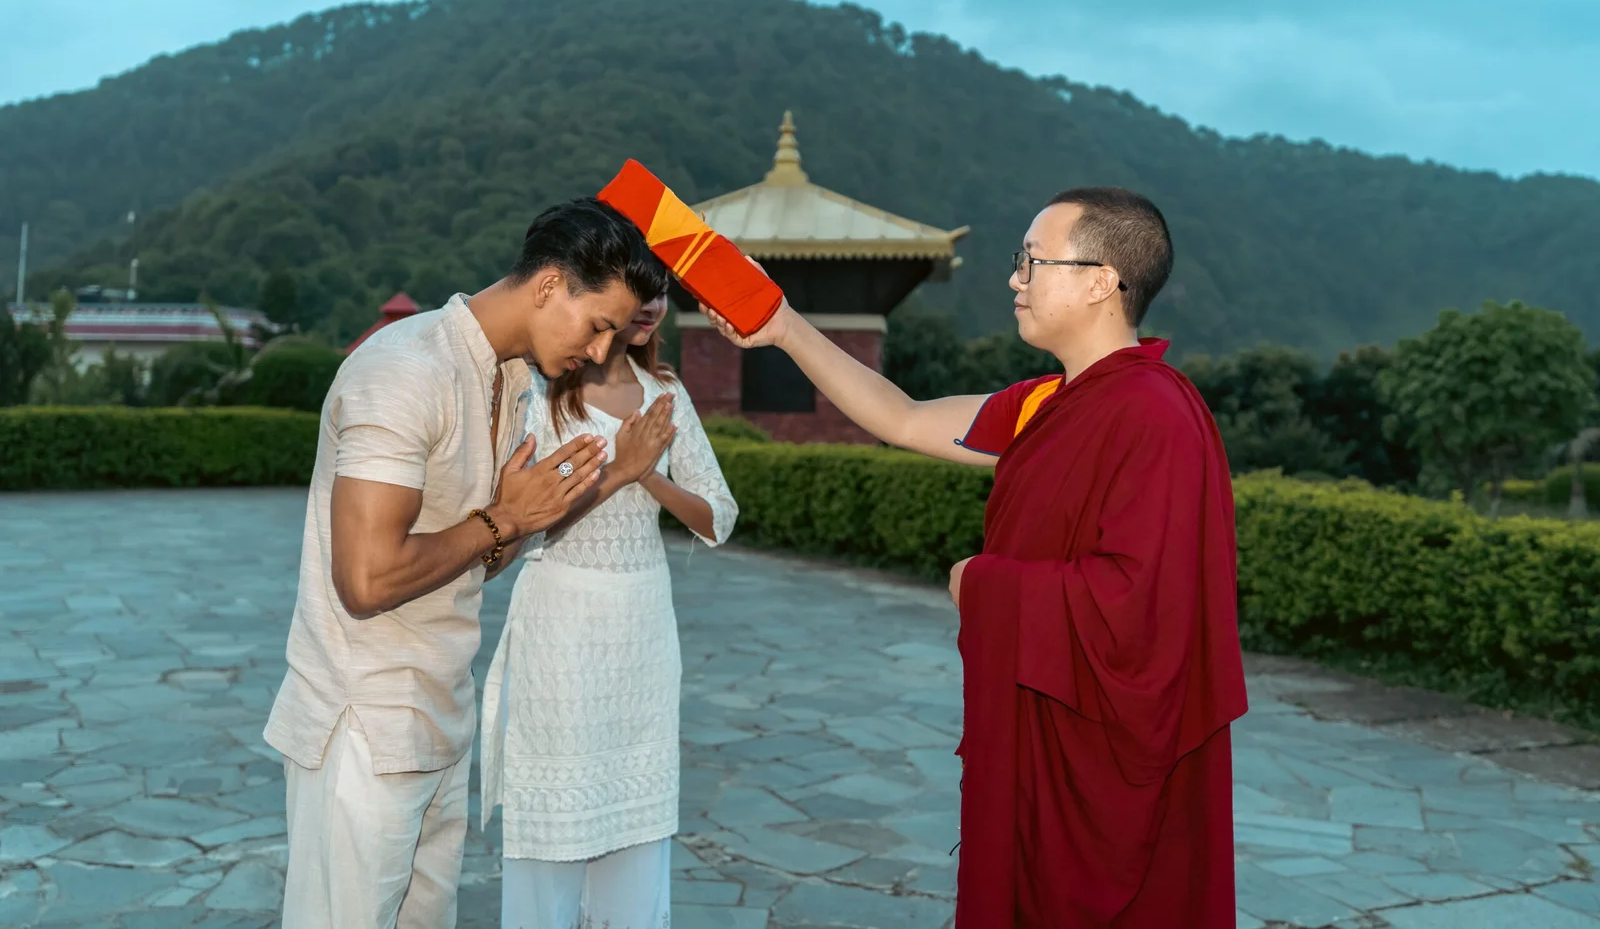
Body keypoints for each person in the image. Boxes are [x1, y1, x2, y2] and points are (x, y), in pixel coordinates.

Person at [702, 187, 1248, 927]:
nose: (1015, 279)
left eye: (1033, 261)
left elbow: (1143, 605)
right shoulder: (1043, 404)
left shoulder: (1154, 412)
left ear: (1100, 281)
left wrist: (982, 583)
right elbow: (900, 416)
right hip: (1041, 723)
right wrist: (785, 327)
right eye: (1018, 260)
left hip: (1109, 761)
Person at [265, 197, 666, 929]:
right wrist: (506, 516)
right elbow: (365, 579)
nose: (603, 352)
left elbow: (480, 557)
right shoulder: (405, 370)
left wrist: (558, 501)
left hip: (438, 717)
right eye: (600, 325)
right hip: (363, 721)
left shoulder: (511, 384)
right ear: (549, 286)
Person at [481, 288, 737, 928]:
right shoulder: (542, 392)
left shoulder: (666, 396)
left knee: (635, 819)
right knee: (555, 826)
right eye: (635, 291)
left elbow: (719, 517)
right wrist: (620, 470)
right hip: (561, 616)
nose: (649, 306)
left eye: (660, 293)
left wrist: (649, 474)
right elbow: (525, 527)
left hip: (641, 623)